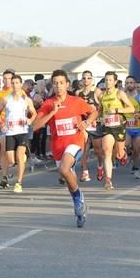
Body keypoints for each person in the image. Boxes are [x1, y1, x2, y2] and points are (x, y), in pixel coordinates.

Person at [32, 69, 98, 227]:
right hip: (58, 147)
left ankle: (78, 199)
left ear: (67, 84)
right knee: (68, 177)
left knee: (64, 169)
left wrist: (87, 122)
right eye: (55, 83)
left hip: (75, 142)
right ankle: (79, 201)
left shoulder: (76, 101)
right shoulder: (48, 104)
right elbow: (35, 126)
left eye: (61, 83)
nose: (59, 86)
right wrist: (52, 113)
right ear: (52, 86)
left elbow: (94, 112)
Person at [95, 71, 134, 190]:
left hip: (119, 126)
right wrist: (97, 118)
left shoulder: (120, 94)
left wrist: (116, 110)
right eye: (106, 80)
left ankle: (123, 154)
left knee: (119, 154)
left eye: (110, 80)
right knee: (106, 150)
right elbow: (100, 111)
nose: (108, 82)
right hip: (107, 127)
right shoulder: (102, 96)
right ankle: (108, 181)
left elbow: (131, 108)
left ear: (115, 82)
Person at [0, 74, 36, 193]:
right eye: (13, 83)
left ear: (21, 84)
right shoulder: (6, 99)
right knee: (11, 160)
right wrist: (1, 124)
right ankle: (23, 158)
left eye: (17, 83)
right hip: (10, 131)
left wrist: (30, 120)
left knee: (19, 157)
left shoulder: (26, 99)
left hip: (22, 131)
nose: (14, 85)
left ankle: (18, 182)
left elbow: (34, 113)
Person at [76, 70, 104, 182]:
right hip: (84, 124)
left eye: (88, 78)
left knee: (97, 149)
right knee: (84, 148)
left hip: (95, 123)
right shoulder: (78, 93)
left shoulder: (97, 91)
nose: (86, 80)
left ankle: (100, 165)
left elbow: (102, 108)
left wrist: (97, 115)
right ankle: (85, 172)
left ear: (92, 79)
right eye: (84, 78)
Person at [0, 70, 15, 188]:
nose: (7, 81)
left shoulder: (18, 92)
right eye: (5, 79)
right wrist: (0, 123)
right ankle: (4, 176)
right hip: (4, 125)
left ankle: (14, 164)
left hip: (17, 126)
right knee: (3, 149)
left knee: (14, 154)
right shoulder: (1, 94)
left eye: (9, 79)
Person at [123, 75, 140, 179]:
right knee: (126, 145)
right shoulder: (122, 97)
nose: (129, 85)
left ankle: (136, 169)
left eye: (131, 83)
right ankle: (128, 155)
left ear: (135, 84)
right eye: (127, 83)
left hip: (137, 127)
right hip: (126, 127)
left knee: (137, 149)